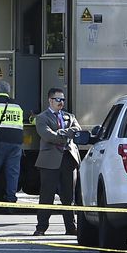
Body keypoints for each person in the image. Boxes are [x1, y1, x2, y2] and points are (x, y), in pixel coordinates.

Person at [33, 87, 82, 236]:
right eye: (58, 99)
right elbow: (48, 136)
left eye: (62, 99)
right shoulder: (42, 117)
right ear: (50, 100)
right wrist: (66, 134)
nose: (61, 102)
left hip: (68, 160)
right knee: (46, 196)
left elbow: (77, 130)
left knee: (68, 196)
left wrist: (61, 133)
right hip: (49, 162)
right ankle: (41, 228)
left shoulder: (69, 116)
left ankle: (70, 227)